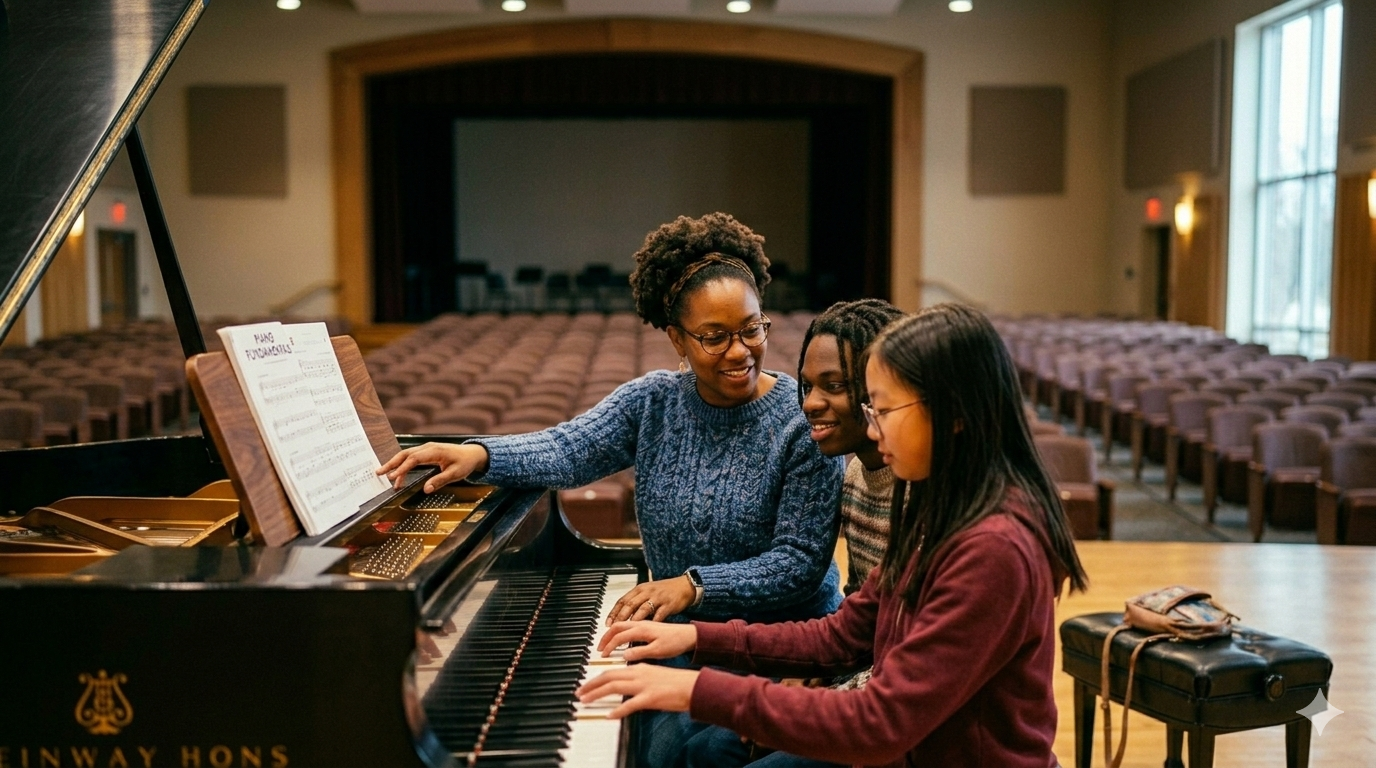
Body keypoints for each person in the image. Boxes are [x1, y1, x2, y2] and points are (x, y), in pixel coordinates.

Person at [378, 212, 844, 766]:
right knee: (652, 753)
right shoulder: (654, 403)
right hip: (680, 638)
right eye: (714, 337)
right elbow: (567, 450)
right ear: (676, 337)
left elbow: (798, 564)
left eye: (751, 329)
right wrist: (479, 453)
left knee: (700, 753)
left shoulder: (798, 422)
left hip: (779, 646)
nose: (740, 351)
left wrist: (692, 586)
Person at [577, 303, 1089, 768]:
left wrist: (694, 690)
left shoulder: (992, 547)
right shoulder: (942, 508)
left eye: (883, 410)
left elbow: (880, 724)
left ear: (954, 415)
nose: (873, 429)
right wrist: (693, 636)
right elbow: (844, 634)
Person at [797, 298, 906, 596]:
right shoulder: (856, 473)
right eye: (808, 387)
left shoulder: (922, 488)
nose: (810, 404)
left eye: (834, 386)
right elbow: (858, 612)